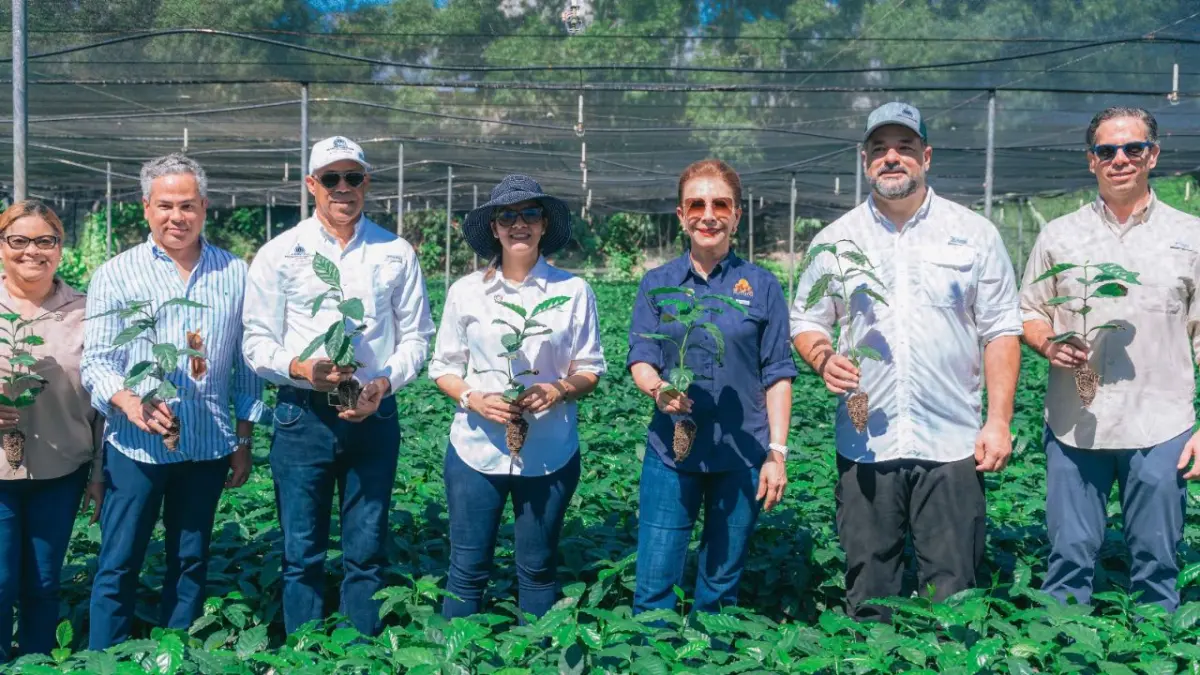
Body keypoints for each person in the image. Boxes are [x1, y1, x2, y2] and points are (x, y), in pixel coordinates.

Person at [791, 102, 1022, 622]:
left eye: (904, 148)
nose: (891, 158)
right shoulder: (834, 241)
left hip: (953, 442)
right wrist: (822, 356)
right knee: (869, 591)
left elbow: (1001, 330)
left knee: (955, 594)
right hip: (867, 443)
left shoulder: (974, 234)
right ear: (864, 160)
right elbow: (805, 321)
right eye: (879, 149)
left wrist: (999, 420)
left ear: (927, 156)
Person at [243, 136, 434, 635]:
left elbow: (417, 337)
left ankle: (359, 652)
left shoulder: (395, 251)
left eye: (353, 177)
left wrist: (385, 383)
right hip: (302, 415)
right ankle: (305, 654)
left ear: (366, 183)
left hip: (374, 413)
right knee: (300, 551)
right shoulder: (280, 253)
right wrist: (303, 369)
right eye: (331, 178)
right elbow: (257, 341)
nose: (343, 188)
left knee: (366, 550)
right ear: (312, 185)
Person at [82, 154, 267, 649]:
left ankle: (175, 653)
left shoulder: (234, 273)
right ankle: (108, 654)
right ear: (146, 208)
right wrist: (130, 402)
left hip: (207, 445)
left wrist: (243, 437)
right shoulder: (117, 274)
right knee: (119, 559)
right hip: (135, 446)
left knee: (189, 558)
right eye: (165, 205)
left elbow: (244, 366)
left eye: (187, 205)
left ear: (205, 208)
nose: (176, 216)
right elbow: (97, 362)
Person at [1020, 106, 1200, 612]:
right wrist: (1048, 344)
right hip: (1077, 423)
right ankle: (1063, 649)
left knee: (1159, 559)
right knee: (1069, 554)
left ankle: (1158, 654)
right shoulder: (1060, 235)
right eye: (1106, 151)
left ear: (1153, 155)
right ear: (1091, 161)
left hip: (1163, 424)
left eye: (1133, 148)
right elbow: (1029, 311)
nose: (1120, 159)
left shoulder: (1191, 236)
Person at [428, 175, 605, 620]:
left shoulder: (573, 292)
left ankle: (537, 659)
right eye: (507, 215)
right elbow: (443, 368)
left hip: (549, 452)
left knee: (538, 568)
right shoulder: (466, 291)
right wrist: (473, 398)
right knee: (466, 569)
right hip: (475, 450)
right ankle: (459, 662)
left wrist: (558, 389)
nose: (518, 224)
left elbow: (591, 369)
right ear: (494, 227)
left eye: (530, 214)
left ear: (544, 224)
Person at [626, 159, 796, 615]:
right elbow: (641, 357)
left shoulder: (762, 286)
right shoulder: (658, 284)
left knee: (720, 588)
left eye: (720, 203)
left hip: (742, 456)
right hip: (671, 453)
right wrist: (659, 388)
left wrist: (776, 452)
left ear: (737, 215)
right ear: (681, 216)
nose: (708, 214)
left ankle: (712, 660)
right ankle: (652, 662)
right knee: (654, 585)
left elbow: (777, 373)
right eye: (695, 204)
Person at [0, 201, 104, 661]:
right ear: (2, 246)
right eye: (18, 240)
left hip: (62, 469)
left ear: (61, 248)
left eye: (45, 240)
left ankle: (37, 663)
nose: (32, 252)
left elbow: (103, 399)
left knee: (43, 580)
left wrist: (99, 472)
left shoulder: (86, 311)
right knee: (0, 580)